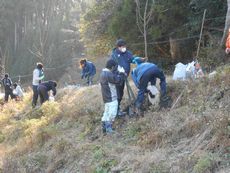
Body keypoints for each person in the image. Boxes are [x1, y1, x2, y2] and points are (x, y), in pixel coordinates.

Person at [100, 59, 125, 134]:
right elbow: (118, 80)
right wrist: (121, 73)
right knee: (112, 113)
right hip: (111, 97)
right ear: (112, 67)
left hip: (106, 97)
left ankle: (104, 128)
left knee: (106, 113)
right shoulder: (108, 74)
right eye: (115, 67)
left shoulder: (103, 73)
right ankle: (109, 129)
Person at [110, 39, 134, 116]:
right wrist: (120, 71)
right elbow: (113, 67)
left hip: (124, 77)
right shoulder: (114, 55)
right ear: (118, 47)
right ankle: (116, 111)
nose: (124, 48)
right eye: (123, 46)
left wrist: (138, 59)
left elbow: (132, 59)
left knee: (121, 93)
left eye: (125, 46)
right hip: (117, 77)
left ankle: (118, 109)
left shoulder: (127, 53)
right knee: (118, 94)